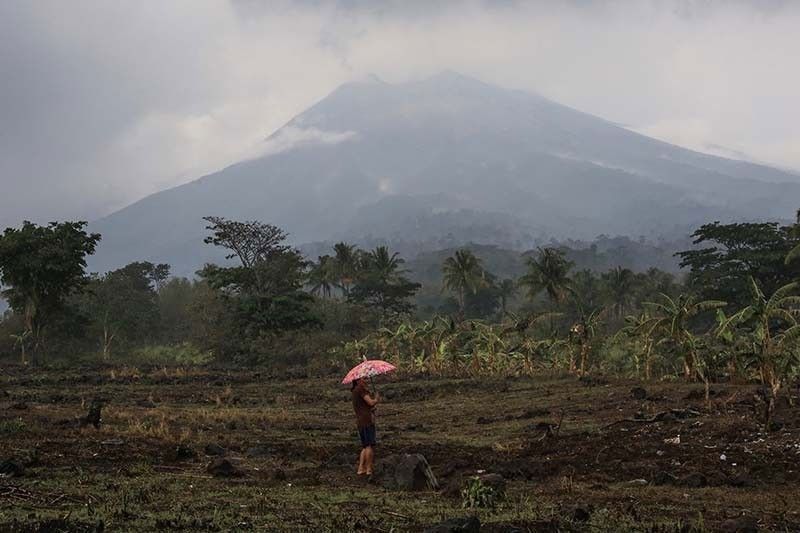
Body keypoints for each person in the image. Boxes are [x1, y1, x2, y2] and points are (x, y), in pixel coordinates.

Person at [351, 377, 379, 475]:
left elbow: (363, 407)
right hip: (366, 421)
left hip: (360, 421)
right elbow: (370, 402)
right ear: (358, 380)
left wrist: (371, 409)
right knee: (369, 446)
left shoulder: (355, 391)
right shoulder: (360, 390)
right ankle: (369, 469)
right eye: (364, 379)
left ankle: (361, 468)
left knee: (365, 446)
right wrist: (376, 399)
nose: (366, 380)